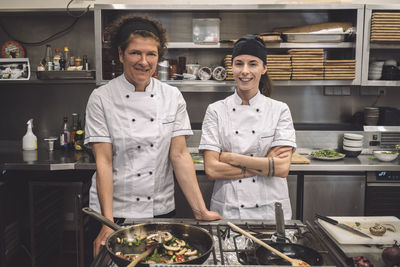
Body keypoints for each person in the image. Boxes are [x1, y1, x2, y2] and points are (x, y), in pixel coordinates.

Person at [84, 14, 221, 259]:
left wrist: (200, 210)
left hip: (159, 209)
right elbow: (103, 160)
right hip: (115, 210)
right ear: (120, 54)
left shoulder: (172, 96)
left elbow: (179, 155)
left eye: (152, 54)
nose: (144, 62)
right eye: (136, 53)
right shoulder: (101, 98)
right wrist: (106, 220)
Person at [199, 35, 296, 220]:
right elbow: (212, 169)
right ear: (232, 67)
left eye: (253, 64)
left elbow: (282, 168)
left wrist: (230, 158)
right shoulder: (216, 111)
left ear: (264, 68)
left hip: (270, 211)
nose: (245, 71)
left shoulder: (279, 110)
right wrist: (266, 165)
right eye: (239, 63)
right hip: (229, 209)